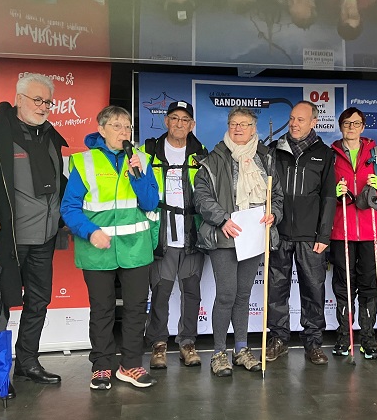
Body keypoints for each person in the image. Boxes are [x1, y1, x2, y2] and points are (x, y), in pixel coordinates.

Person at [61, 106, 160, 390]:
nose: (124, 132)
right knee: (102, 309)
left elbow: (151, 203)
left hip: (136, 248)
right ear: (101, 129)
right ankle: (102, 365)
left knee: (135, 309)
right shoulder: (83, 162)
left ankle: (130, 365)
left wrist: (138, 176)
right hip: (97, 249)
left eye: (127, 127)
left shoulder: (141, 159)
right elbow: (69, 208)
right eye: (116, 126)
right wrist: (90, 232)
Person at [0, 73, 67, 394]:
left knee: (39, 302)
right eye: (38, 100)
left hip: (44, 238)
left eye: (48, 101)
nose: (44, 106)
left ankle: (27, 362)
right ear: (18, 98)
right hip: (8, 239)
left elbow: (59, 183)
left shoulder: (49, 136)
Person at [193, 106, 283, 377]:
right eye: (234, 123)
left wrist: (273, 214)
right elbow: (201, 195)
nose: (238, 128)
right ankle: (219, 352)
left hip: (254, 235)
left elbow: (276, 195)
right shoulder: (214, 158)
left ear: (254, 129)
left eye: (244, 124)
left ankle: (241, 348)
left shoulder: (265, 159)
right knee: (226, 294)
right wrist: (222, 219)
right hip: (225, 235)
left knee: (243, 295)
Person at [266, 101, 336, 365]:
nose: (294, 124)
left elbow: (329, 198)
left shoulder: (324, 154)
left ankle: (313, 342)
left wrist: (324, 236)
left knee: (313, 290)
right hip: (279, 233)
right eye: (292, 118)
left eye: (301, 120)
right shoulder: (275, 151)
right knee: (276, 289)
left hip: (311, 238)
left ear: (313, 123)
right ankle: (279, 340)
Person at [143, 101, 207, 369]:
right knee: (160, 292)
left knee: (192, 293)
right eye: (174, 118)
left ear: (192, 125)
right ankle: (158, 345)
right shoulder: (148, 152)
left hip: (192, 234)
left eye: (185, 119)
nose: (179, 124)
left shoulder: (202, 154)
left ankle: (187, 343)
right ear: (166, 121)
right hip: (161, 236)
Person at [330, 107, 377, 360]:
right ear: (340, 126)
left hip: (371, 231)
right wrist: (336, 192)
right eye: (347, 123)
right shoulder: (331, 154)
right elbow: (324, 192)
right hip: (342, 229)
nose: (351, 127)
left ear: (363, 126)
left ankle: (368, 339)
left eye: (356, 123)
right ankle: (345, 337)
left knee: (369, 286)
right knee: (344, 286)